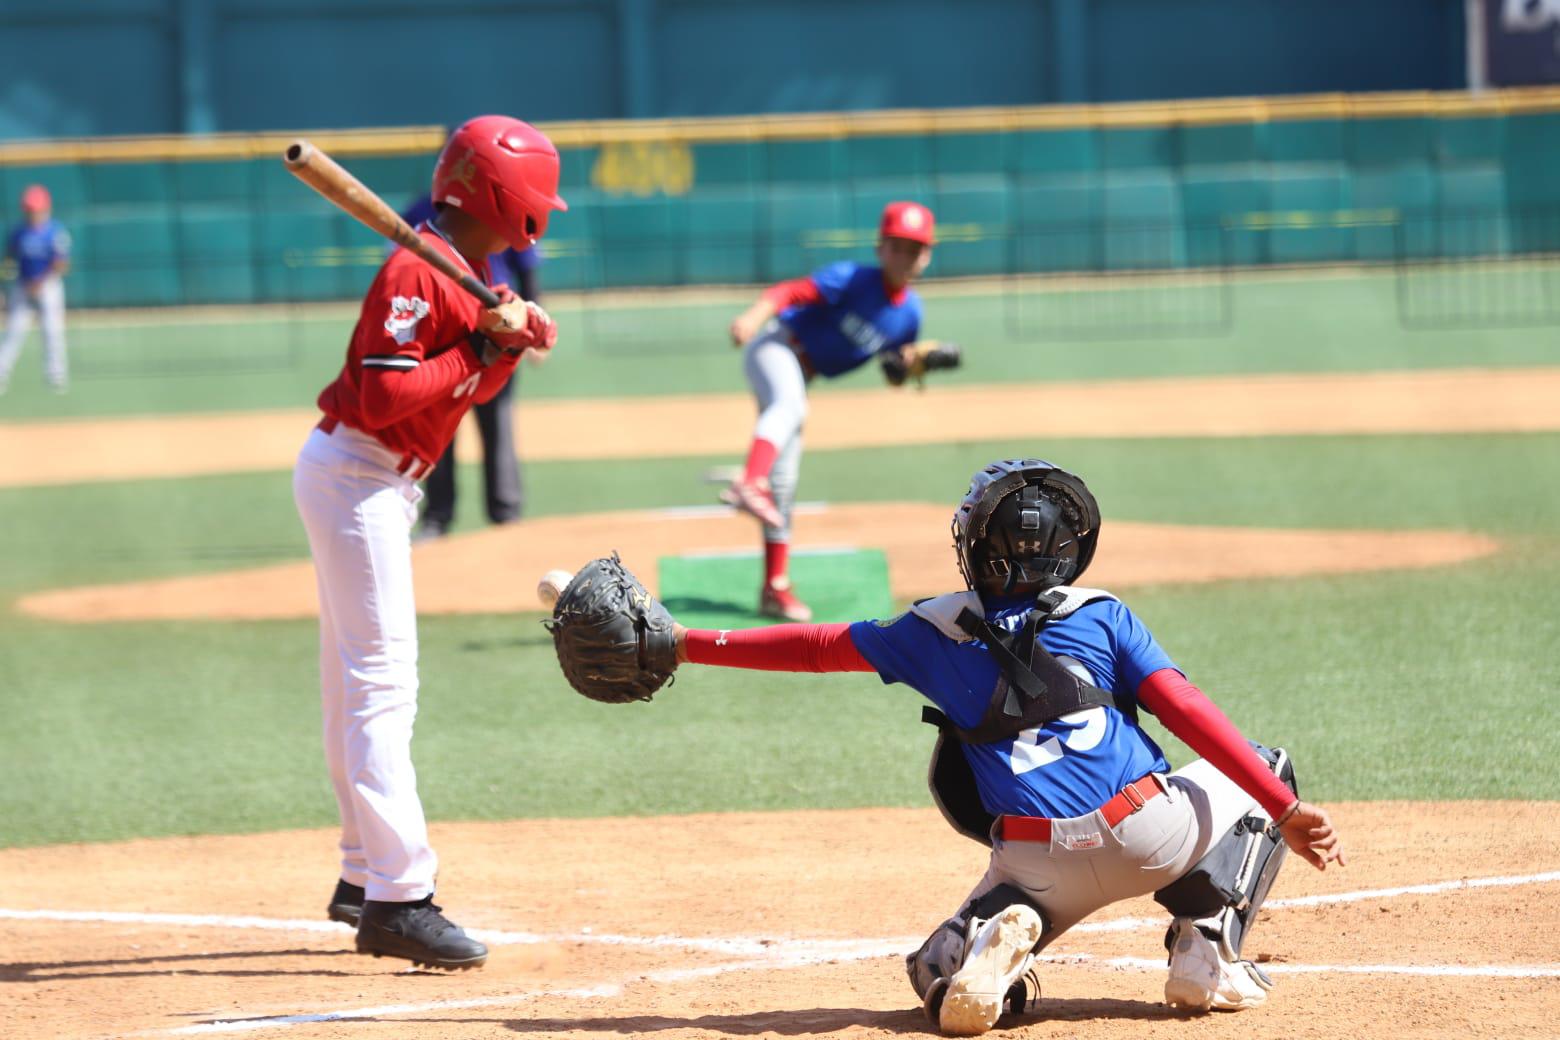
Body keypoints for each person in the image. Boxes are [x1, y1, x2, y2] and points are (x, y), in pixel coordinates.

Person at [667, 459, 1346, 1034]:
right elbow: (1186, 710)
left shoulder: (929, 630)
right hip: (1149, 832)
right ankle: (1206, 954)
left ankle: (990, 943)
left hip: (1035, 861)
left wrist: (685, 644)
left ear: (978, 547)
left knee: (931, 970)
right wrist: (1283, 807)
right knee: (1267, 765)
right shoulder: (1102, 614)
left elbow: (814, 647)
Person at [292, 115, 566, 970]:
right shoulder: (417, 267)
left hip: (366, 479)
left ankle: (362, 873)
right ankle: (399, 897)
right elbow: (384, 399)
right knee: (382, 688)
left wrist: (505, 347)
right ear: (512, 200)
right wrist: (484, 341)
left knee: (353, 685)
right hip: (359, 474)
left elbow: (465, 391)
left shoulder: (465, 270)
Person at [722, 200, 938, 622]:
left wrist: (913, 366)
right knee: (790, 406)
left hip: (802, 373)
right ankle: (748, 482)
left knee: (784, 481)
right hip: (776, 346)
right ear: (880, 248)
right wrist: (752, 317)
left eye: (914, 249)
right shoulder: (852, 278)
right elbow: (789, 292)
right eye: (896, 246)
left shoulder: (910, 314)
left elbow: (892, 371)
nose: (904, 256)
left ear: (926, 256)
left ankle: (774, 587)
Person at [398, 191, 544, 539]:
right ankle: (438, 515)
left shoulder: (504, 205)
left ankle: (505, 512)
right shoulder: (422, 209)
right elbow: (403, 266)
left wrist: (533, 319)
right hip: (440, 332)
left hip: (497, 326)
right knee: (438, 429)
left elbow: (526, 267)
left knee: (497, 422)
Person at [0, 185, 72, 396]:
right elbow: (8, 260)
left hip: (48, 285)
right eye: (29, 209)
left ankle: (56, 374)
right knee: (14, 331)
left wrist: (41, 282)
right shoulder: (18, 232)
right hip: (23, 285)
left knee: (52, 330)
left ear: (46, 209)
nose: (32, 213)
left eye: (36, 209)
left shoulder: (55, 232)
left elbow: (62, 263)